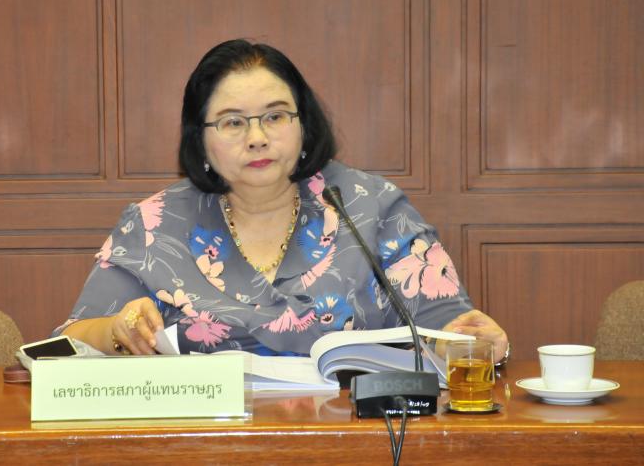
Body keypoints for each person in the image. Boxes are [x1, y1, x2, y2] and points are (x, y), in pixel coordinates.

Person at [56, 39, 509, 363]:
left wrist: (475, 341)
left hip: (356, 437)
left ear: (303, 126)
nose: (257, 138)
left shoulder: (370, 207)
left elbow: (448, 328)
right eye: (233, 122)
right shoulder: (155, 223)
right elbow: (69, 342)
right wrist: (117, 331)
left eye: (275, 116)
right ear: (201, 140)